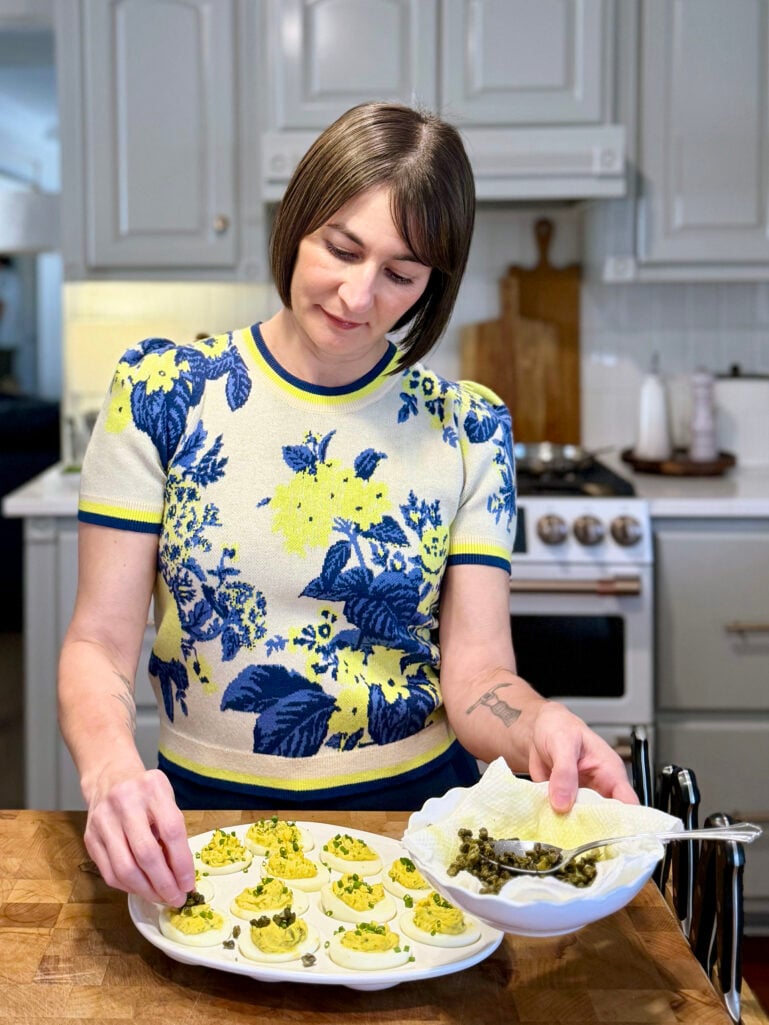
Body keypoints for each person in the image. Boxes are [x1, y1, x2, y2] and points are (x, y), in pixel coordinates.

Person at [58, 102, 637, 908]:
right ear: (298, 221)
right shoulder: (163, 393)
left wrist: (537, 721)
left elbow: (476, 676)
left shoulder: (468, 428)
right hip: (201, 820)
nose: (358, 294)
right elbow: (97, 640)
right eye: (341, 247)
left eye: (400, 274)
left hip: (416, 826)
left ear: (433, 285)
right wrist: (112, 767)